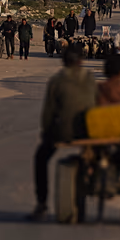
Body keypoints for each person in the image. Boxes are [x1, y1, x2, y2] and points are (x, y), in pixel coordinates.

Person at [28, 49, 96, 220]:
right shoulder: (90, 79)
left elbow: (48, 112)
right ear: (81, 61)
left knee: (41, 158)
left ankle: (41, 203)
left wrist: (46, 132)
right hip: (91, 130)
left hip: (65, 131)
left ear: (63, 62)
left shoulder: (56, 81)